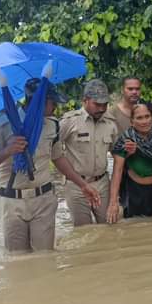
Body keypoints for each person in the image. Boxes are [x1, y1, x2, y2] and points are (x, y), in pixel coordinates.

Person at [0, 78, 67, 252]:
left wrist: (83, 185)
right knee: (17, 260)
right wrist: (7, 151)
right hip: (12, 202)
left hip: (43, 200)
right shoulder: (3, 124)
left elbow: (59, 158)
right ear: (39, 101)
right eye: (52, 101)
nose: (56, 106)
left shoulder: (52, 125)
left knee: (45, 256)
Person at [53, 79, 118, 227]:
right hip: (76, 185)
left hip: (102, 184)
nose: (102, 108)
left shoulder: (110, 124)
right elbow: (52, 151)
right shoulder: (69, 122)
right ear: (85, 101)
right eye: (97, 104)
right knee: (83, 231)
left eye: (105, 104)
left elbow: (117, 153)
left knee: (109, 227)